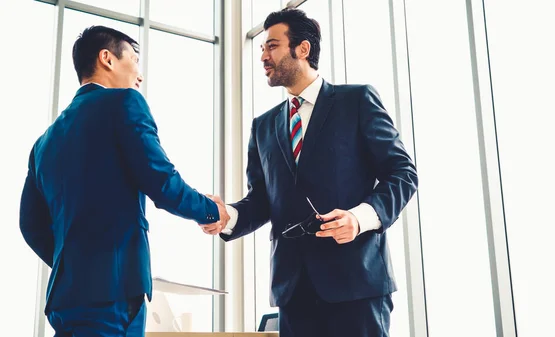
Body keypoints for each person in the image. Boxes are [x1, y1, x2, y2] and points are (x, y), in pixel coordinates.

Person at [202, 8, 418, 337]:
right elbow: (262, 200)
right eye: (261, 48)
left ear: (302, 49)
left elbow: (402, 173)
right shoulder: (263, 127)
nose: (263, 56)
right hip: (293, 292)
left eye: (271, 46)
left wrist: (359, 218)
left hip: (356, 285)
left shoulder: (356, 100)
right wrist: (227, 215)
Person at [19, 25, 229, 336]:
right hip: (111, 299)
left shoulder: (44, 142)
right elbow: (161, 181)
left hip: (65, 300)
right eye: (134, 59)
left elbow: (30, 225)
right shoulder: (123, 103)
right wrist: (211, 211)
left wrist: (79, 264)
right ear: (107, 59)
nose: (139, 76)